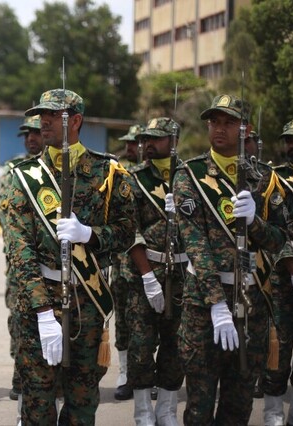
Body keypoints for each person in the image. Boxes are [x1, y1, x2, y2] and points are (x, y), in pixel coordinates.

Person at [3, 89, 136, 424]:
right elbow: (19, 249)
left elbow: (125, 233)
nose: (43, 121)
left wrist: (90, 234)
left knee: (82, 401)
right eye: (42, 114)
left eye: (54, 115)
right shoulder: (23, 177)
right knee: (37, 401)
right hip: (38, 304)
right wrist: (43, 312)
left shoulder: (109, 173)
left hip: (87, 302)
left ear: (75, 120)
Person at [173, 94, 288, 425]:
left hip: (252, 305)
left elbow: (280, 240)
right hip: (204, 306)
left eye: (229, 122)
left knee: (239, 404)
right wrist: (216, 303)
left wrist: (256, 222)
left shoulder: (265, 179)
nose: (219, 129)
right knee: (199, 403)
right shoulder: (190, 175)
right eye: (214, 122)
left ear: (246, 129)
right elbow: (194, 241)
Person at [127, 118, 186, 425]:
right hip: (144, 274)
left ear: (172, 140)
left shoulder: (188, 176)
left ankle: (166, 410)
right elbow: (130, 229)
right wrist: (148, 276)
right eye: (146, 138)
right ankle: (143, 413)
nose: (148, 143)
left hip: (182, 275)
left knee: (176, 346)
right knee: (140, 346)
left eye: (156, 138)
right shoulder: (134, 177)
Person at [0, 114, 44, 404]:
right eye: (27, 134)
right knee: (20, 319)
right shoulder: (14, 170)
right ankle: (21, 374)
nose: (30, 139)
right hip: (21, 261)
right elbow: (6, 214)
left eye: (36, 133)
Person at [260, 118, 293, 425]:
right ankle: (273, 412)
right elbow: (273, 230)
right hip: (284, 279)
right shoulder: (276, 180)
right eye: (289, 140)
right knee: (279, 346)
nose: (292, 145)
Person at [112, 123, 144, 402]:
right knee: (123, 321)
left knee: (150, 324)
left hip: (151, 265)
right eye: (129, 143)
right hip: (122, 264)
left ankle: (148, 375)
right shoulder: (120, 172)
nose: (130, 147)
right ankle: (124, 374)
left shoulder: (160, 176)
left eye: (135, 142)